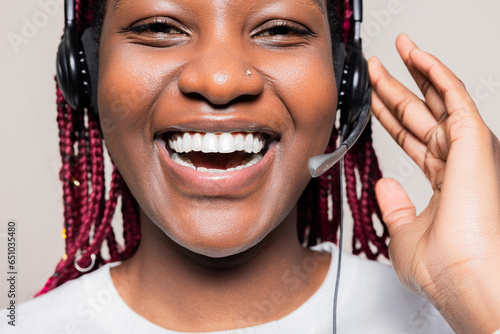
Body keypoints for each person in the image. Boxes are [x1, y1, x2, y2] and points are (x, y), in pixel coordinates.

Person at [2, 0, 500, 333]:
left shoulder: (459, 317)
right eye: (159, 27)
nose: (219, 80)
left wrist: (477, 287)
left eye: (280, 30)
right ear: (83, 72)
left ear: (344, 82)